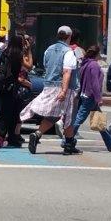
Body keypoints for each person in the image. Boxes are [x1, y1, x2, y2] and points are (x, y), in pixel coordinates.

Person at [24, 26, 78, 155]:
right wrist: (64, 90)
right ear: (69, 36)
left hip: (49, 84)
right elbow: (66, 72)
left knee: (53, 115)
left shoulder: (49, 50)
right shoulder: (68, 52)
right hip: (64, 87)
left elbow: (46, 65)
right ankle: (69, 144)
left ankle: (38, 134)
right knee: (69, 115)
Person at [0, 33, 30, 148]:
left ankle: (8, 138)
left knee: (8, 112)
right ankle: (2, 138)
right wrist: (29, 50)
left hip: (4, 86)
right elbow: (29, 65)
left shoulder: (6, 52)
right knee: (10, 114)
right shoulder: (18, 54)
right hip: (12, 87)